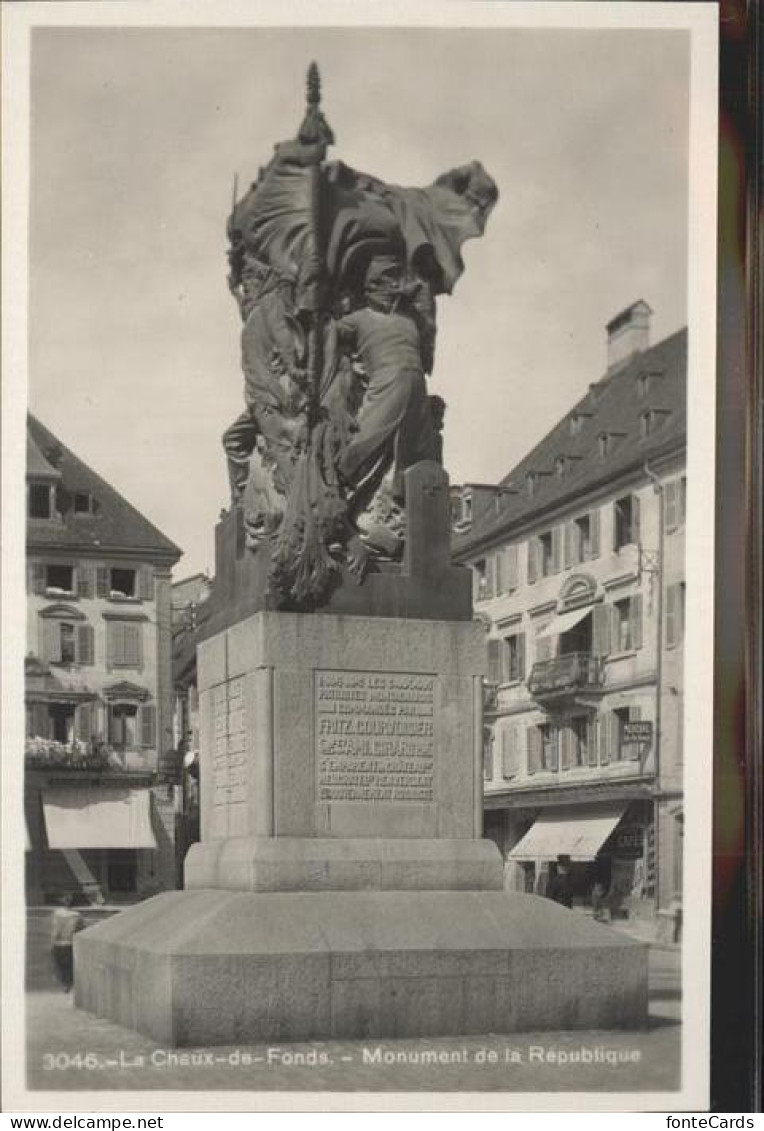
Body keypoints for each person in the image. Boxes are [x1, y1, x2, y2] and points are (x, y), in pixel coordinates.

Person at [50, 894, 84, 993]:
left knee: (60, 965)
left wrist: (52, 941)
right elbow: (81, 929)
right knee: (70, 965)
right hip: (70, 943)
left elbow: (55, 929)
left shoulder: (57, 914)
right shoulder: (77, 915)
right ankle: (69, 983)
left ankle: (65, 984)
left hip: (58, 943)